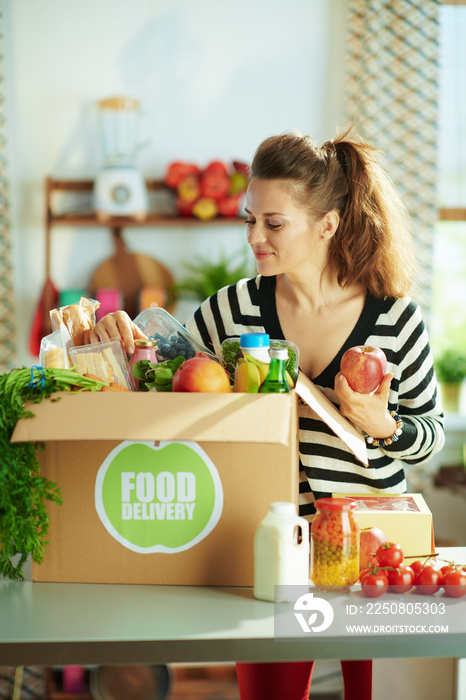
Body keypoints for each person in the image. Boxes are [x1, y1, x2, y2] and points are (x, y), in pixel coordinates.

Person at [88, 128, 445, 700]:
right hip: (264, 544)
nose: (255, 236)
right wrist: (120, 342)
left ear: (327, 224)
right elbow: (160, 386)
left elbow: (429, 438)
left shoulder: (396, 317)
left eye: (273, 223)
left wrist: (383, 425)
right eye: (249, 219)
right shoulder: (230, 309)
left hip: (367, 555)